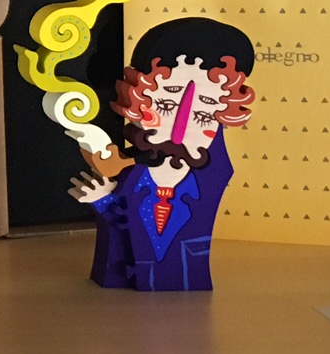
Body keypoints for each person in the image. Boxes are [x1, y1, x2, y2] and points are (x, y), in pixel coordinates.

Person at [70, 18, 256, 292]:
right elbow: (124, 225)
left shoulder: (213, 177)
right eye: (167, 105)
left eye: (203, 115)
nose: (178, 133)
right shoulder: (133, 175)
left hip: (185, 284)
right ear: (139, 102)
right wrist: (103, 200)